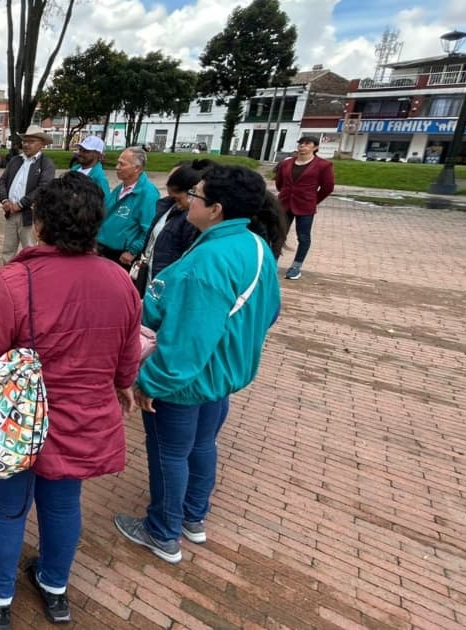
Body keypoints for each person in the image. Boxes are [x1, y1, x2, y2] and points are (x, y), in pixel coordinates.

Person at [0, 174, 142, 629]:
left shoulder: (15, 281)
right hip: (82, 422)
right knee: (63, 504)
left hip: (17, 424)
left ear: (39, 224)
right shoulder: (120, 281)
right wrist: (125, 385)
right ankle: (55, 589)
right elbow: (126, 350)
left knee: (6, 507)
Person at [114, 164, 283, 565]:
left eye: (197, 195)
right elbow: (269, 310)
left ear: (216, 208)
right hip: (219, 374)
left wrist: (150, 382)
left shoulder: (209, 260)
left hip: (186, 381)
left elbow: (188, 341)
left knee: (170, 454)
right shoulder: (256, 245)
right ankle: (193, 517)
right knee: (202, 444)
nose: (189, 200)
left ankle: (162, 532)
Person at [130, 160, 210, 295]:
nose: (176, 204)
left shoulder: (192, 220)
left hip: (167, 286)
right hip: (152, 278)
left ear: (192, 192)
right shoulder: (166, 206)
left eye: (178, 199)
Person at [275, 136, 334, 281]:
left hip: (305, 205)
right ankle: (272, 263)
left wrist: (313, 200)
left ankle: (296, 267)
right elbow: (279, 183)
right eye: (301, 143)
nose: (302, 146)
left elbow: (327, 187)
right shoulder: (286, 163)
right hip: (284, 203)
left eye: (307, 144)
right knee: (278, 234)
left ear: (315, 147)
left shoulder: (323, 165)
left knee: (303, 236)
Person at [0, 125, 56, 262]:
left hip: (30, 214)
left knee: (30, 249)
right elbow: (3, 181)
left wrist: (22, 203)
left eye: (31, 141)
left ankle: (31, 273)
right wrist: (4, 200)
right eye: (25, 141)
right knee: (8, 250)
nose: (26, 144)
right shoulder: (16, 160)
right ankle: (8, 273)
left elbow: (43, 188)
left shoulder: (46, 164)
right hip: (11, 212)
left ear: (41, 144)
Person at [97, 146, 159, 268]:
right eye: (117, 163)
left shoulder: (148, 193)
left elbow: (149, 228)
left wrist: (132, 251)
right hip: (103, 249)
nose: (117, 167)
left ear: (137, 168)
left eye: (122, 164)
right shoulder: (119, 188)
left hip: (122, 256)